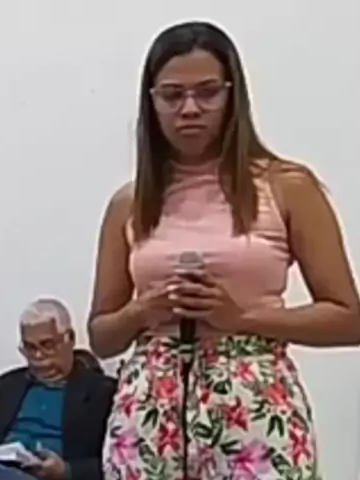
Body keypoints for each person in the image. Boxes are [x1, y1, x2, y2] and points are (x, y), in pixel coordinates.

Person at [88, 20, 360, 479]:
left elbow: (349, 319)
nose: (190, 108)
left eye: (208, 92)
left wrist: (243, 318)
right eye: (172, 95)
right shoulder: (129, 204)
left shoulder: (286, 187)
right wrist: (143, 310)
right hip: (147, 411)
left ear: (234, 96)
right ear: (151, 102)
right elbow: (101, 336)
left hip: (254, 406)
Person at [0, 298, 115, 480]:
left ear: (70, 338)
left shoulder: (103, 391)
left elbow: (117, 464)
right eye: (30, 348)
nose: (39, 356)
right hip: (2, 470)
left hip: (53, 477)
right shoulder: (5, 386)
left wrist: (66, 471)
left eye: (47, 345)